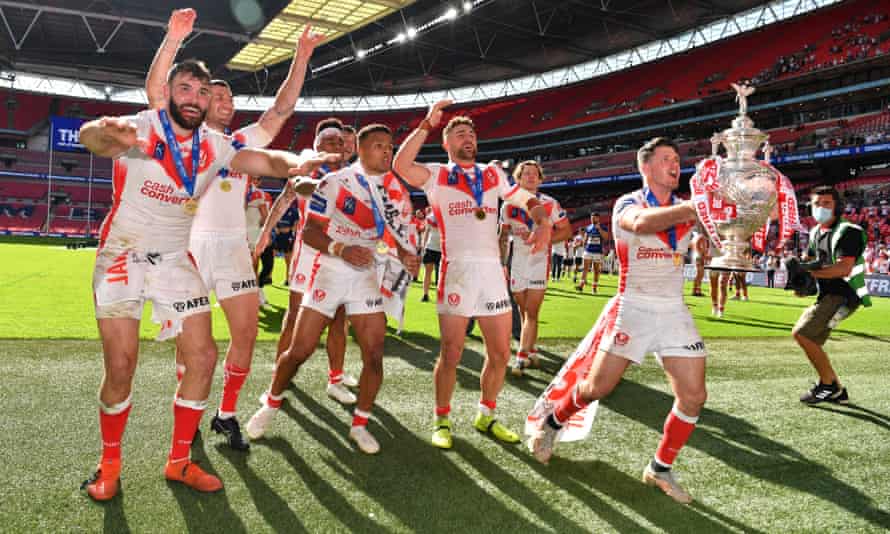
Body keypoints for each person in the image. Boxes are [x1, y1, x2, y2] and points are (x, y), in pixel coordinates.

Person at [81, 57, 318, 500]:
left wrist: (297, 163)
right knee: (121, 365)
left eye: (202, 92)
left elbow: (264, 158)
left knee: (204, 358)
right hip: (123, 254)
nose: (194, 98)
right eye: (186, 89)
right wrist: (104, 129)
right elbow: (91, 138)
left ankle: (179, 462)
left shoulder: (216, 145)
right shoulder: (145, 127)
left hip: (174, 258)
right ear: (170, 92)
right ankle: (109, 464)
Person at [143, 9, 325, 450]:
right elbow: (154, 93)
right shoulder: (179, 133)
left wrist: (300, 57)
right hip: (187, 247)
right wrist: (173, 40)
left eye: (227, 98)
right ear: (200, 103)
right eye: (214, 96)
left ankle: (226, 414)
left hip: (232, 247)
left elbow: (281, 109)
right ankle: (188, 409)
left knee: (244, 333)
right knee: (189, 345)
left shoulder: (238, 143)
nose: (224, 102)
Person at [528, 137, 706, 504]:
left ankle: (659, 468)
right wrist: (696, 208)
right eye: (666, 159)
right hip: (634, 307)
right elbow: (640, 224)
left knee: (693, 396)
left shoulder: (688, 208)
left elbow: (719, 237)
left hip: (673, 309)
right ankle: (553, 422)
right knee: (597, 388)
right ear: (646, 167)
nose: (675, 164)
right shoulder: (631, 202)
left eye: (677, 159)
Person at [246, 124, 420, 453]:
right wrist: (341, 249)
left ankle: (360, 423)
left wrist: (406, 256)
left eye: (390, 146)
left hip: (367, 273)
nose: (387, 152)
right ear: (362, 150)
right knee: (300, 349)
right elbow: (310, 231)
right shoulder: (335, 181)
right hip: (329, 268)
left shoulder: (395, 190)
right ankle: (271, 403)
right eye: (379, 146)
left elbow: (398, 238)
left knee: (374, 353)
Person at [393, 100, 552, 449]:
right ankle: (442, 420)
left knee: (500, 354)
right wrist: (426, 124)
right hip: (457, 271)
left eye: (471, 134)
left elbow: (529, 200)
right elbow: (400, 164)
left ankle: (486, 413)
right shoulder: (435, 175)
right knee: (451, 353)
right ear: (447, 144)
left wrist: (541, 221)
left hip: (492, 273)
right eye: (459, 133)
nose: (467, 137)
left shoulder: (493, 175)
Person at [254, 119, 358, 404]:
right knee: (294, 316)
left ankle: (335, 380)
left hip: (339, 253)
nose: (337, 145)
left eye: (340, 141)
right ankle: (279, 375)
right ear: (317, 145)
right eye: (330, 141)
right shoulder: (307, 162)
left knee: (339, 318)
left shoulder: (351, 173)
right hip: (309, 252)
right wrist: (265, 234)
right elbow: (292, 193)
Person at [793, 185, 871, 404]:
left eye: (827, 203)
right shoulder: (815, 232)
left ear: (838, 207)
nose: (821, 208)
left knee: (803, 334)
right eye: (817, 204)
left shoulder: (850, 232)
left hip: (843, 295)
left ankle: (828, 385)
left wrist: (809, 271)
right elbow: (809, 261)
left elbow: (843, 268)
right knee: (810, 339)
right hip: (828, 295)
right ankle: (835, 388)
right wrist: (801, 278)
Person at [499, 160, 571, 375]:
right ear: (517, 178)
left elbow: (566, 231)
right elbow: (503, 236)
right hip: (517, 263)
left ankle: (520, 357)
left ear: (540, 179)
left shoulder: (550, 203)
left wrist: (543, 239)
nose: (530, 177)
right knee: (523, 311)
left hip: (539, 263)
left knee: (531, 312)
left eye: (534, 174)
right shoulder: (508, 205)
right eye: (525, 173)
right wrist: (502, 264)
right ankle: (531, 350)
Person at [576, 213, 609, 293]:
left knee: (596, 270)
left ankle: (594, 287)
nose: (592, 220)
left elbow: (606, 238)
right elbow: (585, 239)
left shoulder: (603, 227)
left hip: (597, 252)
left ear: (598, 218)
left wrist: (599, 229)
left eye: (594, 218)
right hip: (588, 251)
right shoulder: (589, 227)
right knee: (585, 269)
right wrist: (583, 245)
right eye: (591, 218)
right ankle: (581, 285)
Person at [420, 208, 442, 301]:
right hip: (436, 248)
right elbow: (426, 232)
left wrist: (423, 246)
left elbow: (426, 233)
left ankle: (426, 295)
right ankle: (427, 295)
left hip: (433, 248)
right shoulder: (443, 216)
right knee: (434, 273)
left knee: (429, 273)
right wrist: (423, 246)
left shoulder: (430, 217)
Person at [690, 231, 708, 296]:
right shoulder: (702, 237)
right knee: (700, 275)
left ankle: (697, 290)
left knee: (699, 275)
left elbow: (691, 247)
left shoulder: (694, 238)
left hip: (695, 255)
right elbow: (703, 248)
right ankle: (695, 290)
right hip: (699, 256)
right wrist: (702, 255)